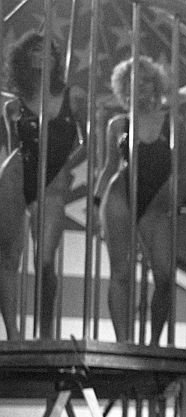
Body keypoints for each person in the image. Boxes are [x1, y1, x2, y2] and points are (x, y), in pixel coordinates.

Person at [0, 31, 82, 340]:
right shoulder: (12, 107)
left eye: (47, 51)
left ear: (56, 58)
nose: (41, 56)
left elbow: (87, 144)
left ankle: (45, 332)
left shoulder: (73, 97)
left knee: (45, 260)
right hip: (16, 177)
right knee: (8, 257)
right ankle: (13, 332)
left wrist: (64, 165)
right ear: (24, 58)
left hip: (53, 182)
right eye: (34, 51)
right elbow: (13, 148)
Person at [94, 56, 176, 344]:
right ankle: (123, 343)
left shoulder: (171, 121)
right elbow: (108, 167)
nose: (140, 85)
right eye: (133, 80)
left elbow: (183, 168)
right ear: (123, 86)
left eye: (145, 79)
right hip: (120, 197)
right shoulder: (118, 123)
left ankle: (154, 343)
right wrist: (95, 205)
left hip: (155, 206)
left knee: (165, 277)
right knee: (121, 274)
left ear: (155, 83)